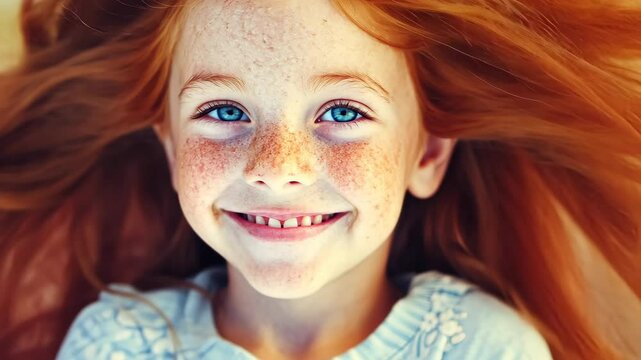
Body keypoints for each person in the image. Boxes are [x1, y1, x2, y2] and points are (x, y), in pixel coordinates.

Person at [1, 0, 640, 359]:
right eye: (224, 111)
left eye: (342, 112)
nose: (279, 167)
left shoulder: (485, 350)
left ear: (428, 153)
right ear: (168, 146)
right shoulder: (114, 347)